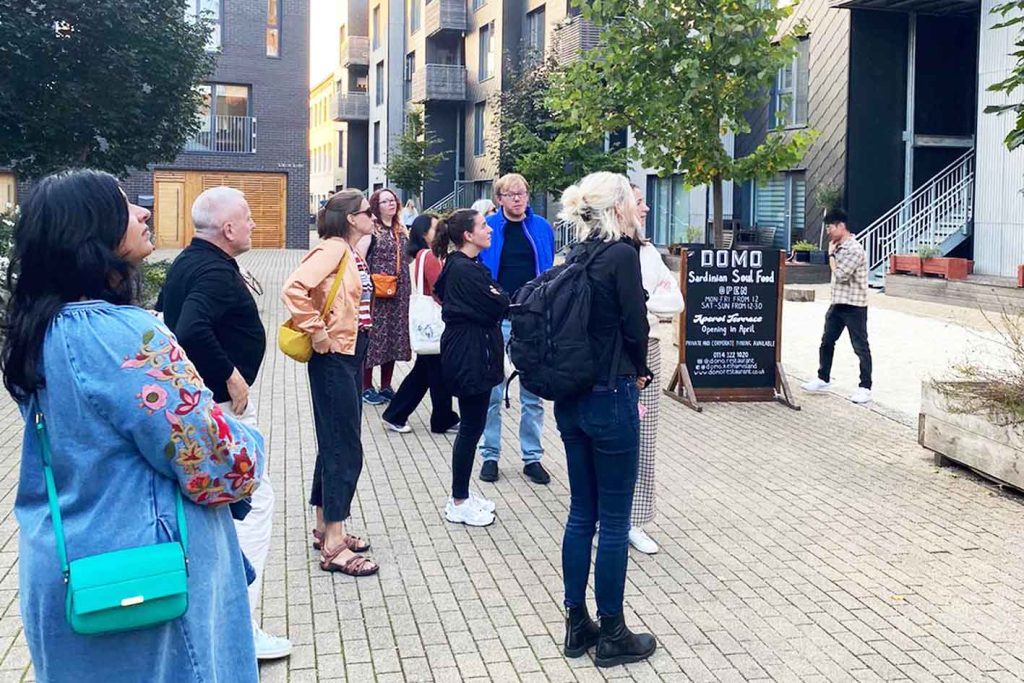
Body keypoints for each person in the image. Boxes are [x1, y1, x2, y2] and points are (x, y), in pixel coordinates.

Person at [3, 170, 265, 681]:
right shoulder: (126, 334)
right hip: (151, 582)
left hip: (68, 570)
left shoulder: (33, 332)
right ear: (91, 233)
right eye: (125, 206)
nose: (144, 212)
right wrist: (250, 437)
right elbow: (217, 463)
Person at [158, 186, 292, 659]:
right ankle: (240, 628)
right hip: (219, 409)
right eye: (249, 218)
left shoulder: (192, 261)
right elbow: (190, 328)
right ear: (229, 228)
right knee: (254, 502)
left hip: (202, 407)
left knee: (231, 509)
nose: (255, 224)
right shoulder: (213, 272)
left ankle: (223, 621)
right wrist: (232, 378)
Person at [554, 172, 656, 668]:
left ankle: (577, 625)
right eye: (634, 201)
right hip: (610, 394)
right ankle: (612, 632)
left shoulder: (575, 254)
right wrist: (640, 372)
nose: (641, 208)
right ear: (618, 208)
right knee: (614, 522)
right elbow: (636, 327)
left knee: (581, 514)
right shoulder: (621, 255)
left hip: (570, 398)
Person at [282, 189, 380, 576]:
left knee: (334, 441)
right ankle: (335, 545)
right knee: (344, 446)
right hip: (335, 354)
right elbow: (294, 288)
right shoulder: (334, 249)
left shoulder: (349, 249)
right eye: (367, 211)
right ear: (351, 218)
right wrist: (317, 332)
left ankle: (326, 526)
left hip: (348, 351)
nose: (373, 216)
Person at [433, 209, 509, 527]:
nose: (489, 230)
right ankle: (458, 500)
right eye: (483, 226)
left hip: (475, 349)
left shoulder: (469, 266)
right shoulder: (464, 270)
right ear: (467, 235)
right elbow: (499, 302)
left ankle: (462, 493)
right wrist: (495, 302)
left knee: (473, 426)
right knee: (470, 428)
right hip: (469, 354)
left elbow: (495, 300)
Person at [478, 173, 555, 485]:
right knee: (493, 391)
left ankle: (532, 456)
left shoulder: (542, 228)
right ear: (499, 199)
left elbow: (549, 270)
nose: (518, 199)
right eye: (511, 194)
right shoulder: (488, 228)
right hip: (499, 318)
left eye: (522, 193)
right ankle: (490, 454)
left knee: (533, 392)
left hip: (533, 318)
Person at [629, 184, 684, 555]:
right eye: (638, 203)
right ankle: (605, 516)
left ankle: (634, 520)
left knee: (643, 439)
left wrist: (638, 300)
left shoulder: (648, 253)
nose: (647, 208)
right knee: (606, 440)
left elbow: (673, 300)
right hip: (608, 356)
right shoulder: (598, 252)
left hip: (646, 351)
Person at [381, 213, 460, 434]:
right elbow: (439, 290)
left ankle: (401, 414)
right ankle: (439, 418)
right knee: (434, 372)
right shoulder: (430, 257)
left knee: (425, 373)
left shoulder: (417, 256)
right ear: (425, 234)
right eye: (436, 229)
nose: (441, 233)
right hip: (435, 322)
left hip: (426, 324)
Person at [801, 208, 872, 404]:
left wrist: (831, 256)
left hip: (854, 305)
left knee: (860, 346)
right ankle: (823, 378)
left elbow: (841, 275)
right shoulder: (838, 246)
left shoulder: (854, 249)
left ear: (841, 226)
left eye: (830, 227)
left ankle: (865, 387)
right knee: (826, 341)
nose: (828, 232)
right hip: (837, 304)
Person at [362, 188, 412, 406]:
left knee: (394, 337)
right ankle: (365, 386)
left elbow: (409, 256)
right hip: (377, 291)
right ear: (376, 205)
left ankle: (386, 385)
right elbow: (361, 257)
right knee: (374, 338)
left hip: (399, 291)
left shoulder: (401, 229)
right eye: (385, 201)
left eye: (392, 200)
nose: (390, 204)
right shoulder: (371, 230)